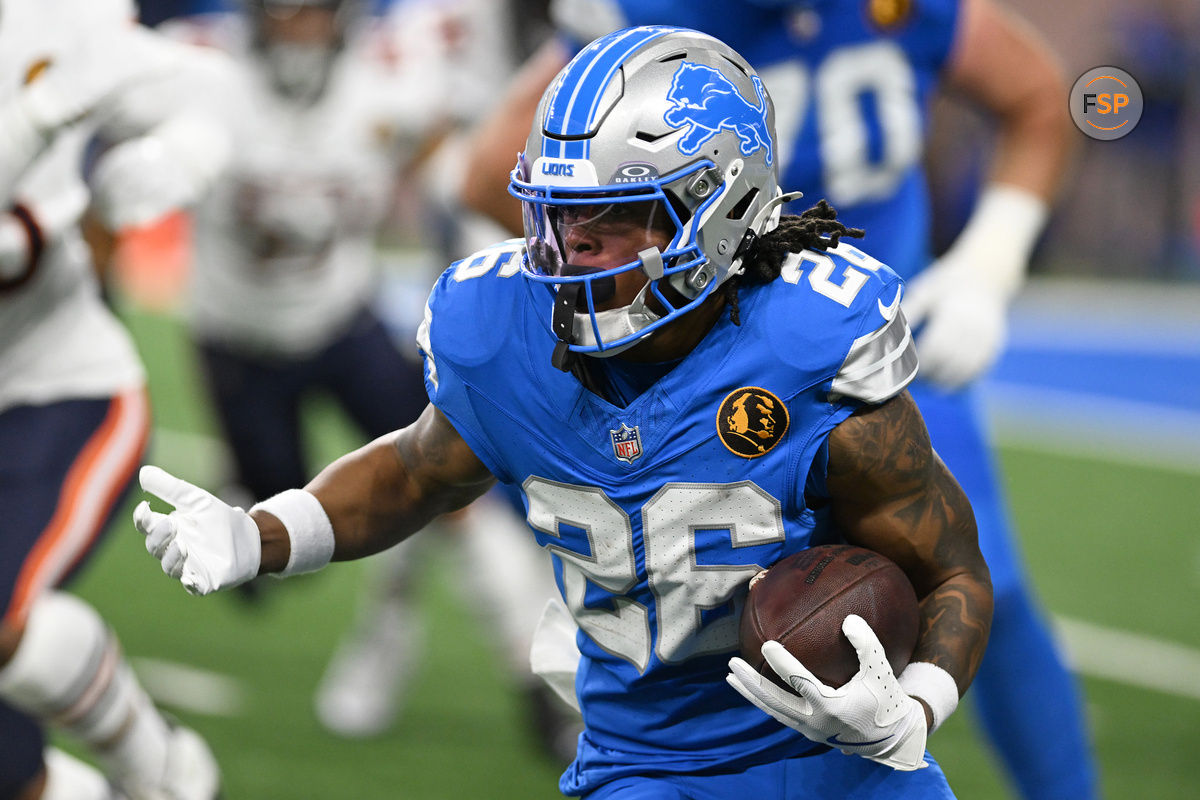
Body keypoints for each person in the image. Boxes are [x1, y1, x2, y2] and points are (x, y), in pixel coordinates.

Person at [134, 26, 993, 798]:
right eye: (558, 213)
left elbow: (952, 569)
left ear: (721, 211)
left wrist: (909, 715)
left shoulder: (807, 346)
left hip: (843, 766)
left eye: (611, 220)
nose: (569, 249)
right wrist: (263, 534)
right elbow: (412, 474)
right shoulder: (501, 331)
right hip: (643, 767)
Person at [459, 2, 1093, 798]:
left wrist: (989, 261)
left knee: (975, 578)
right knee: (716, 612)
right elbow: (493, 172)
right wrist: (636, 285)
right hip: (712, 359)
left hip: (875, 352)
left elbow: (1037, 95)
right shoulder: (658, 25)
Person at [158, 0, 573, 757]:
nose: (297, 27)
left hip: (342, 320)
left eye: (312, 11)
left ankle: (530, 672)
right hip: (237, 341)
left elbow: (457, 150)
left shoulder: (391, 81)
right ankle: (253, 488)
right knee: (274, 552)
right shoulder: (196, 72)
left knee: (453, 475)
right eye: (283, 13)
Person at [0, 1, 230, 798]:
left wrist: (181, 154)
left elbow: (213, 88)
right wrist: (31, 123)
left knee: (3, 620)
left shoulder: (52, 15)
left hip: (54, 386)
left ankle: (156, 771)